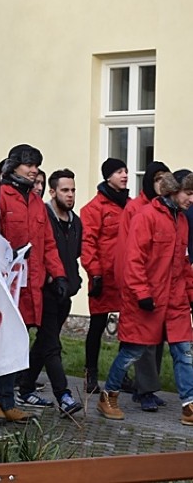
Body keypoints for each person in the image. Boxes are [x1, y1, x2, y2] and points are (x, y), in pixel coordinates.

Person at [98, 172, 193, 426]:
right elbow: (134, 260)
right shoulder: (146, 217)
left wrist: (190, 294)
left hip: (175, 301)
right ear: (174, 191)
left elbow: (184, 264)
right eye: (189, 193)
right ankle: (108, 395)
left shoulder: (181, 221)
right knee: (132, 351)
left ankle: (189, 404)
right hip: (146, 301)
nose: (192, 199)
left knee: (185, 352)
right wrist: (142, 294)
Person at [0, 144, 67, 424]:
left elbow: (48, 245)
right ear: (14, 166)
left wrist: (59, 275)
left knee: (18, 344)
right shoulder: (2, 197)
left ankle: (9, 400)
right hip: (7, 286)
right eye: (29, 165)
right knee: (2, 342)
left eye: (36, 165)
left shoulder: (36, 202)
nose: (34, 170)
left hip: (31, 287)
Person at [17, 169, 84, 417]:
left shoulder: (75, 222)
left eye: (73, 190)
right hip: (43, 291)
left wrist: (72, 281)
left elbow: (73, 255)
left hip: (64, 293)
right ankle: (64, 396)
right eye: (65, 190)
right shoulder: (42, 216)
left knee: (44, 344)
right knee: (52, 345)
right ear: (53, 192)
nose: (70, 195)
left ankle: (24, 388)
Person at [114, 161, 172, 409]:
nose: (160, 182)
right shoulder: (136, 208)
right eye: (156, 178)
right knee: (142, 342)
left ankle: (145, 387)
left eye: (164, 178)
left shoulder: (168, 209)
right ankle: (141, 389)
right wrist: (135, 288)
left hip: (160, 285)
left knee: (156, 339)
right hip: (140, 285)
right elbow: (128, 250)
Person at [80, 158, 131, 394]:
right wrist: (95, 273)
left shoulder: (129, 206)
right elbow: (88, 242)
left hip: (125, 275)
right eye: (119, 171)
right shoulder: (93, 208)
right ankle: (90, 374)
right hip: (103, 276)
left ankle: (122, 375)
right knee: (98, 326)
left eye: (126, 171)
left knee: (128, 327)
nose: (125, 175)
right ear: (108, 176)